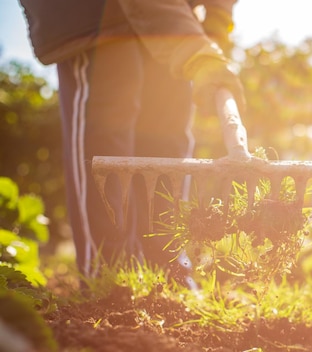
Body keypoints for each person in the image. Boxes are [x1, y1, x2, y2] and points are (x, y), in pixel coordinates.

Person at [18, 0, 246, 284]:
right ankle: (108, 274)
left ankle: (169, 271)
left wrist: (214, 26)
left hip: (174, 15)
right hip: (92, 16)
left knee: (168, 139)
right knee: (106, 134)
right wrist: (197, 51)